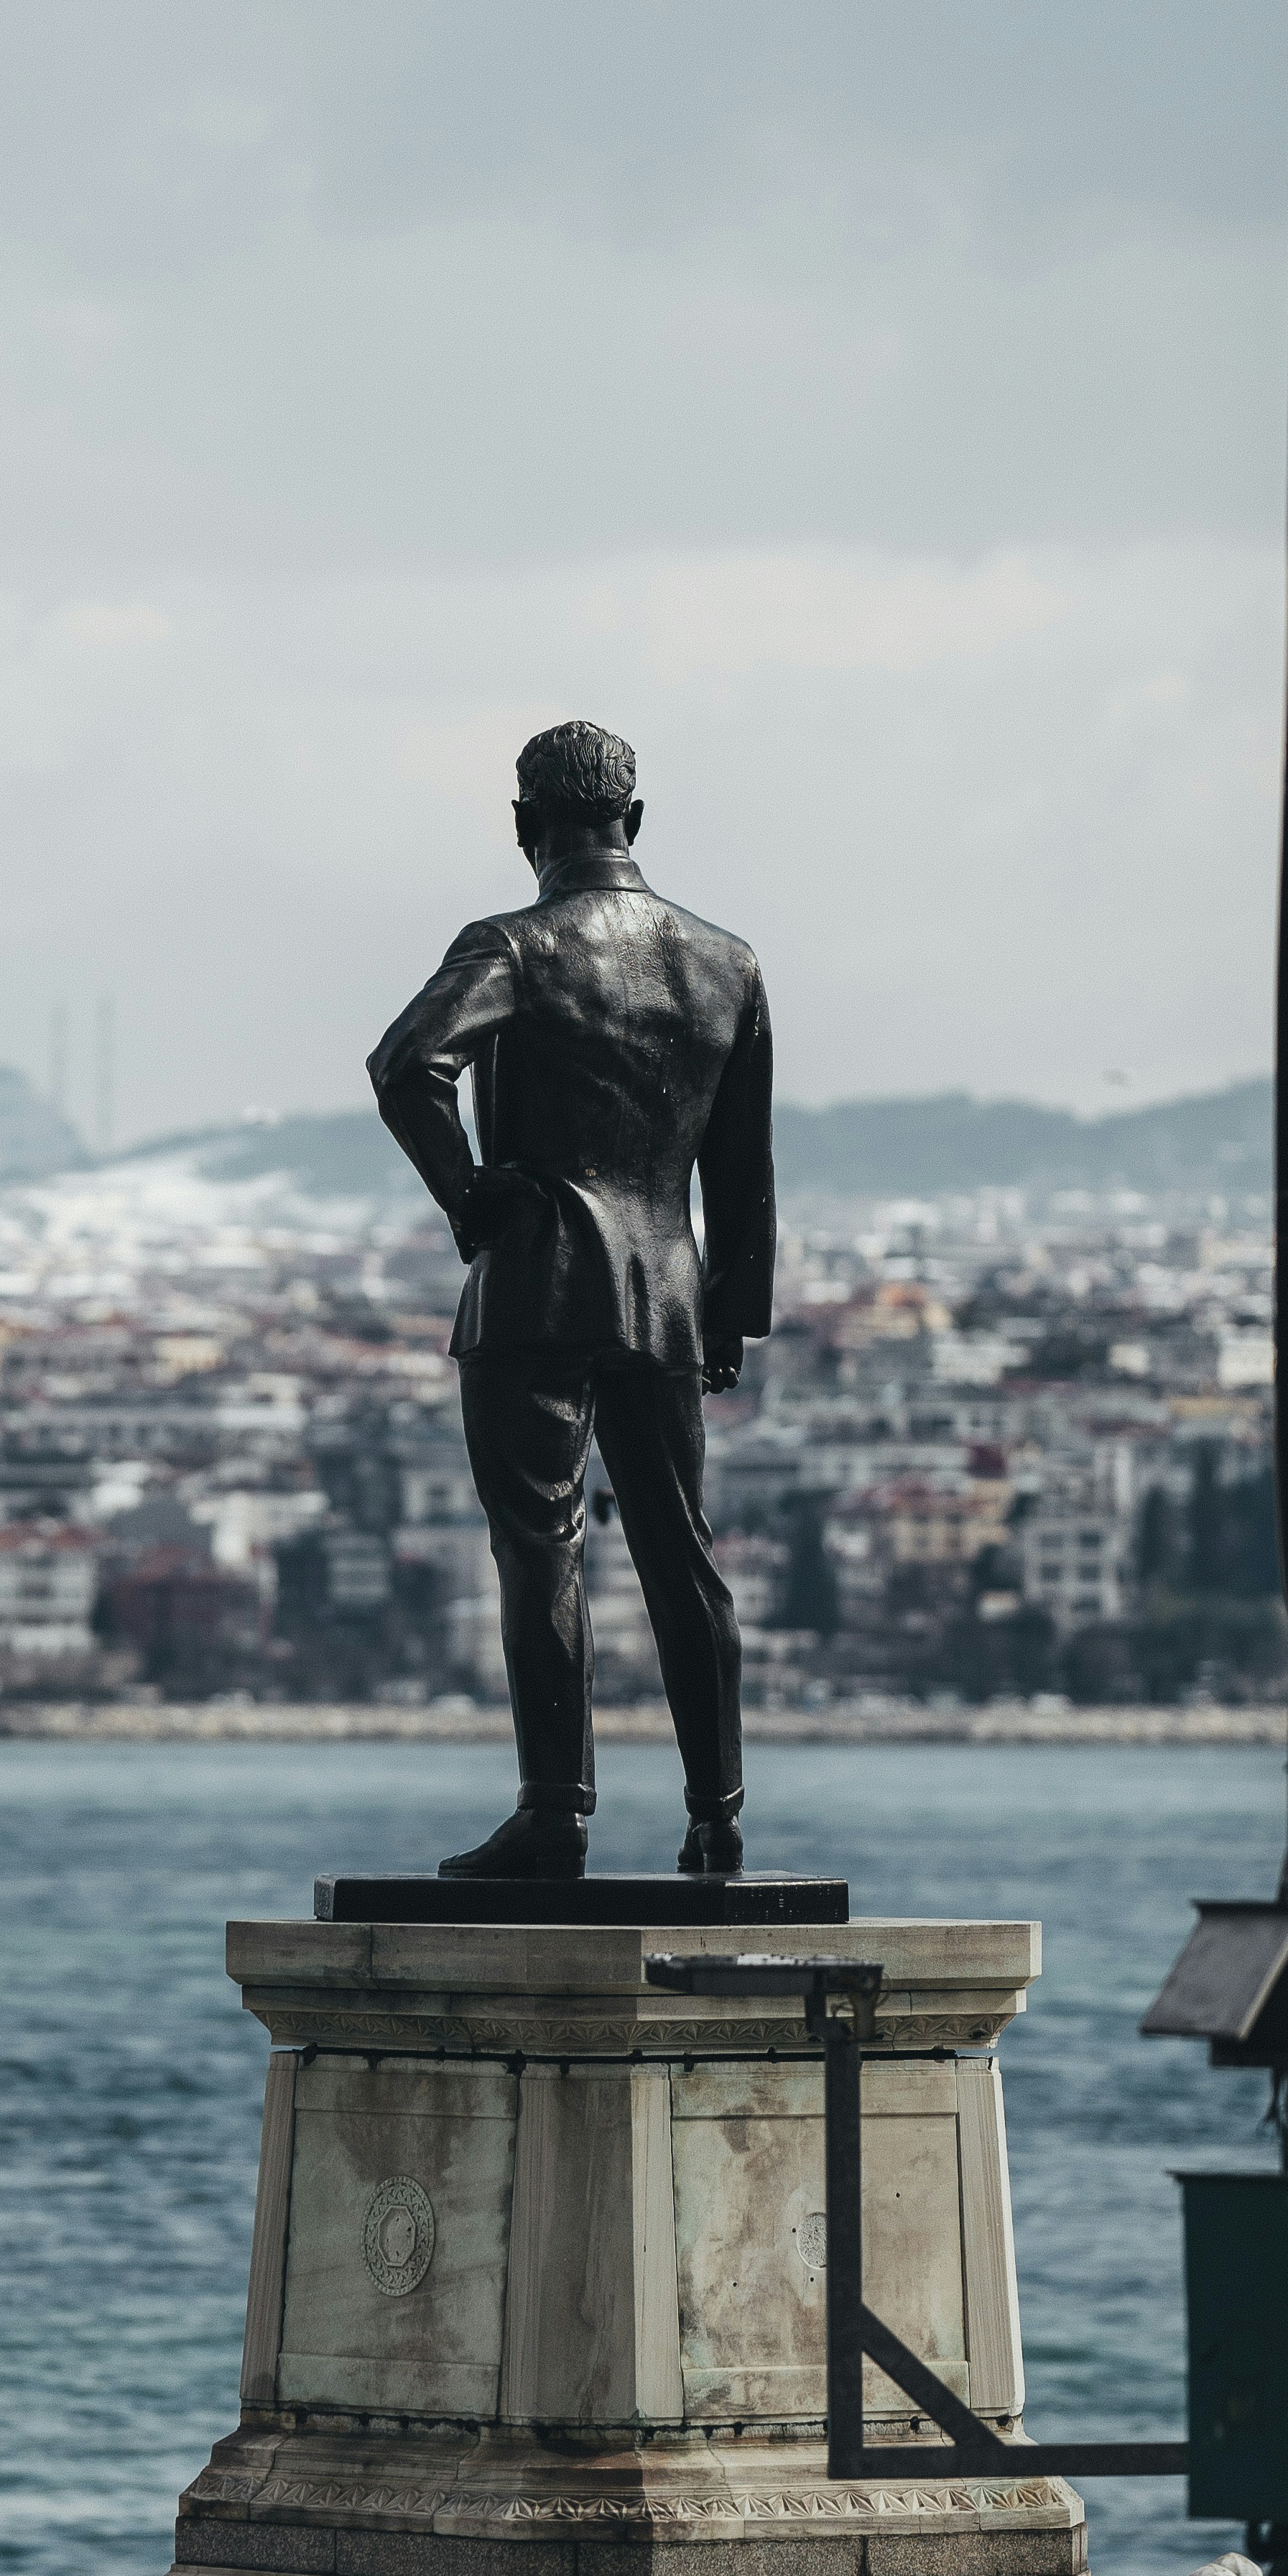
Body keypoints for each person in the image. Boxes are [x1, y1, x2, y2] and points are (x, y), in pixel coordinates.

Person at [367, 717, 775, 1880]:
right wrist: (729, 1316)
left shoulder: (512, 945)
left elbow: (405, 1065)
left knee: (541, 1549)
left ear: (523, 825)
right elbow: (742, 1170)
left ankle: (554, 1815)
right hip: (669, 1292)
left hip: (538, 1284)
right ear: (633, 821)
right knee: (681, 1553)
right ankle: (718, 1815)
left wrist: (470, 1199)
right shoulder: (727, 964)